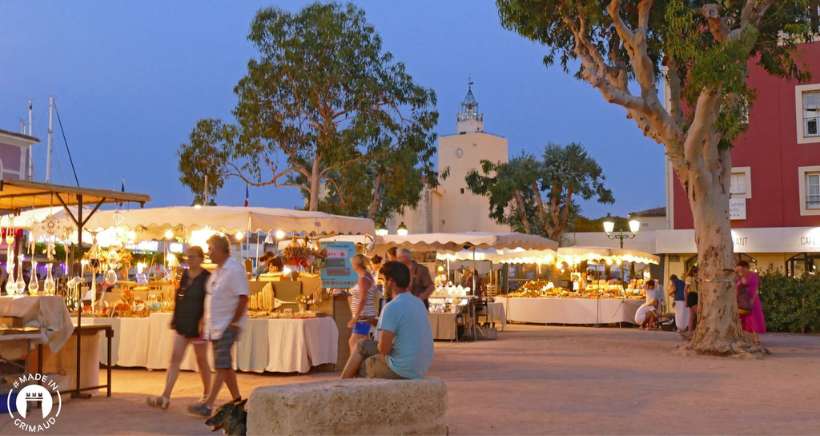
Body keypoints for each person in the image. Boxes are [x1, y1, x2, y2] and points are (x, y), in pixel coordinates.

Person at [188, 235, 249, 418]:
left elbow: (243, 297)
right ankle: (238, 400)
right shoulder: (217, 272)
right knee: (225, 366)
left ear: (221, 249)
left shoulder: (234, 270)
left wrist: (233, 322)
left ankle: (208, 404)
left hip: (227, 325)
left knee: (221, 364)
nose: (208, 252)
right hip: (215, 325)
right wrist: (204, 320)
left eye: (211, 249)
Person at [341, 261, 433, 379]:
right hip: (420, 367)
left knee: (360, 365)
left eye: (384, 280)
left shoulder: (391, 307)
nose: (384, 285)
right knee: (362, 345)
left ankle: (341, 387)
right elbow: (401, 325)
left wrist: (375, 357)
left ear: (392, 282)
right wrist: (373, 321)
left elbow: (384, 349)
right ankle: (341, 385)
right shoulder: (418, 302)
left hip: (401, 369)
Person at [148, 246, 211, 409]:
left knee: (201, 360)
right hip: (182, 321)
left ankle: (207, 394)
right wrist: (175, 318)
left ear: (200, 258)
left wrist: (204, 320)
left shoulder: (207, 277)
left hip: (198, 325)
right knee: (175, 358)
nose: (188, 260)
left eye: (192, 257)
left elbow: (209, 301)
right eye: (187, 257)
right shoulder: (184, 275)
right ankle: (166, 395)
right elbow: (180, 296)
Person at [348, 254, 379, 354]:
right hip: (366, 315)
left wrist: (355, 317)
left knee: (354, 343)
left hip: (363, 316)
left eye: (352, 263)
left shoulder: (363, 279)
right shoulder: (366, 276)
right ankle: (361, 366)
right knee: (363, 343)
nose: (351, 265)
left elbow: (363, 299)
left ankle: (354, 367)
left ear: (356, 264)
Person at [735, 260, 766, 334]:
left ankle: (755, 337)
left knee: (753, 319)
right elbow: (736, 287)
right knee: (743, 319)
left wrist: (752, 299)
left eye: (742, 269)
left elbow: (754, 288)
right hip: (741, 300)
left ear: (746, 268)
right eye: (739, 269)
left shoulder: (753, 275)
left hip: (752, 299)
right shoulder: (738, 276)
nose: (741, 271)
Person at [685, 267, 699, 334]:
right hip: (692, 295)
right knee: (698, 313)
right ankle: (693, 331)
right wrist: (686, 300)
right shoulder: (689, 278)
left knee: (692, 316)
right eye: (695, 272)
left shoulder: (696, 278)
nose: (697, 273)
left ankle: (689, 331)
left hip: (695, 296)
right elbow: (685, 290)